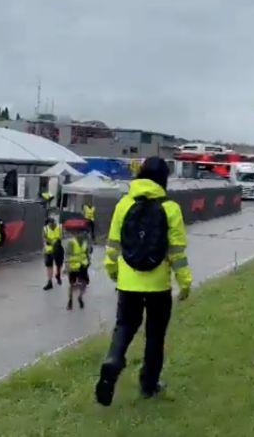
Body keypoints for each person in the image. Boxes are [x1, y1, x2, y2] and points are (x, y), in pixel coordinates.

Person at [95, 156, 192, 406]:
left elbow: (113, 246)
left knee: (125, 326)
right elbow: (177, 253)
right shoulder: (170, 208)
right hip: (158, 285)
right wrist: (185, 283)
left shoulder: (124, 204)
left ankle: (113, 359)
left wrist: (114, 272)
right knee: (155, 336)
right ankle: (149, 386)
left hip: (128, 283)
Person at [64, 220, 91, 310]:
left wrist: (89, 261)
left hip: (83, 265)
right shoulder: (71, 242)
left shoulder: (85, 242)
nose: (82, 234)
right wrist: (66, 266)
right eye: (80, 232)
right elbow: (67, 255)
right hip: (73, 267)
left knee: (84, 283)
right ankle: (70, 301)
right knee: (72, 284)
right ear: (76, 233)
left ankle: (80, 297)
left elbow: (87, 253)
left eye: (83, 232)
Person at [42, 218, 64, 290]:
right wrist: (48, 242)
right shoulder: (45, 228)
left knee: (59, 265)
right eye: (49, 224)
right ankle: (49, 282)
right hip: (49, 250)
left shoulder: (59, 227)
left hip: (58, 249)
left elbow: (61, 236)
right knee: (49, 266)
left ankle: (58, 275)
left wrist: (56, 241)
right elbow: (44, 238)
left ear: (54, 222)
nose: (51, 225)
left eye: (52, 223)